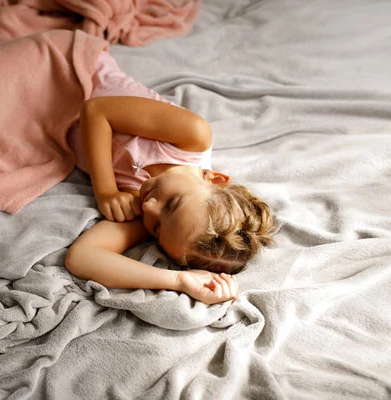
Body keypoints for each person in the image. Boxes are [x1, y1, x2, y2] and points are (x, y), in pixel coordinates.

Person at [64, 51, 275, 305]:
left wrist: (177, 281)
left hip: (46, 122)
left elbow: (82, 257)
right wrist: (106, 191)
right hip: (72, 70)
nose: (149, 207)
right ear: (214, 179)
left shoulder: (145, 209)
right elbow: (96, 110)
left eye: (157, 228)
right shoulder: (191, 137)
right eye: (173, 202)